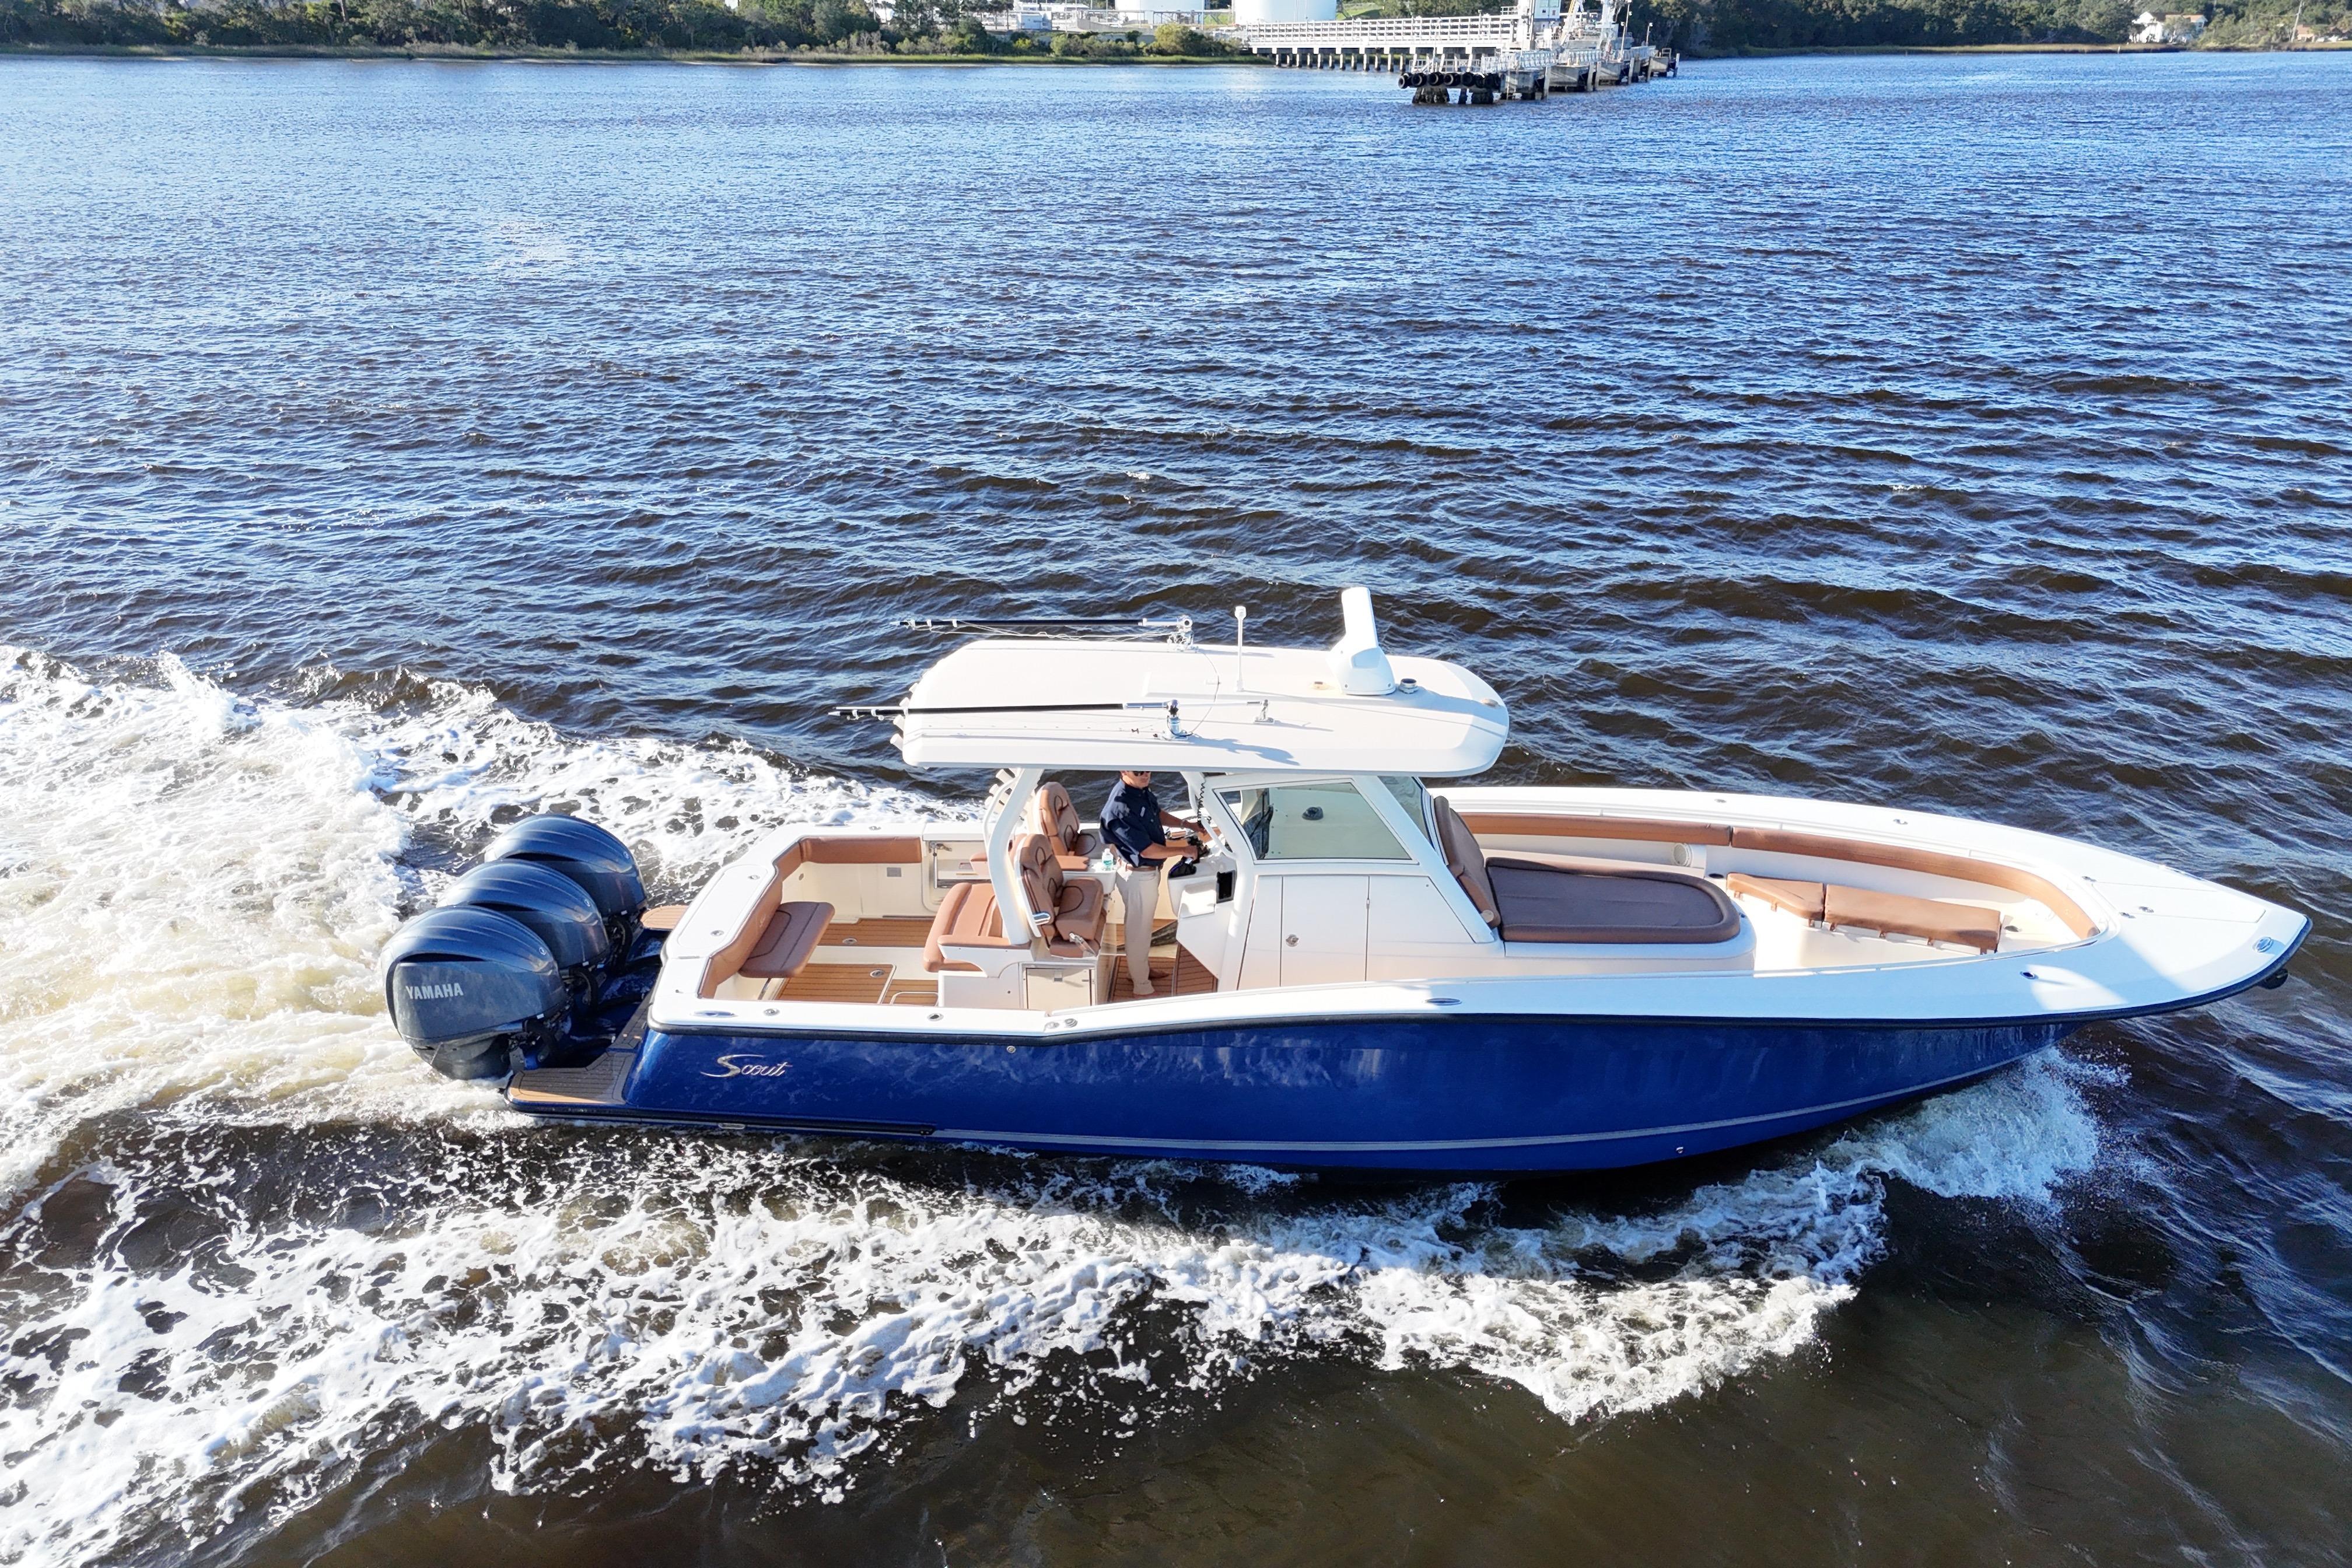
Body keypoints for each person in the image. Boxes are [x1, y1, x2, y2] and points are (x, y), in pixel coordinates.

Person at [1099, 769, 1206, 996]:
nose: (1145, 775)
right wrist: (1184, 850)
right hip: (1138, 877)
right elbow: (1147, 850)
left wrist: (1187, 825)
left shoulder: (1139, 790)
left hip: (1147, 873)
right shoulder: (1121, 808)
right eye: (1138, 772)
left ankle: (1140, 971)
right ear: (1124, 771)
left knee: (1144, 929)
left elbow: (1156, 814)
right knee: (1138, 932)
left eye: (1147, 770)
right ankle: (1141, 987)